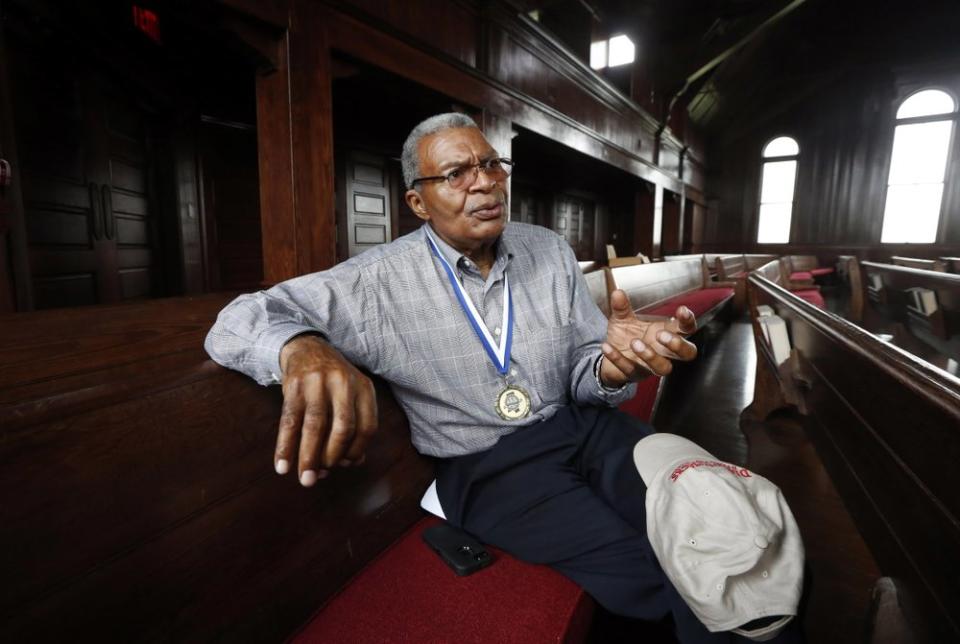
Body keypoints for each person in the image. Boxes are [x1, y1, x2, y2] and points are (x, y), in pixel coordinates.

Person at [205, 113, 802, 643]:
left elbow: (583, 373)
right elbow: (237, 321)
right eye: (457, 173)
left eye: (491, 163)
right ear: (418, 202)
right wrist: (302, 347)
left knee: (722, 518)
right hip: (490, 468)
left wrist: (610, 369)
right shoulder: (374, 283)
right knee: (665, 567)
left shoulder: (546, 248)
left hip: (584, 427)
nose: (485, 182)